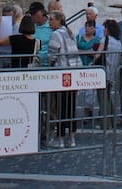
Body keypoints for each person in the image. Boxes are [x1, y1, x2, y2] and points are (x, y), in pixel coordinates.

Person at [46, 10, 79, 146]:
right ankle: (71, 138)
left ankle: (59, 138)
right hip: (73, 72)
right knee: (70, 106)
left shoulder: (56, 34)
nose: (50, 22)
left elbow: (52, 55)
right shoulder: (70, 33)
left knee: (60, 106)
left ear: (59, 20)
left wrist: (48, 62)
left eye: (52, 19)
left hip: (61, 73)